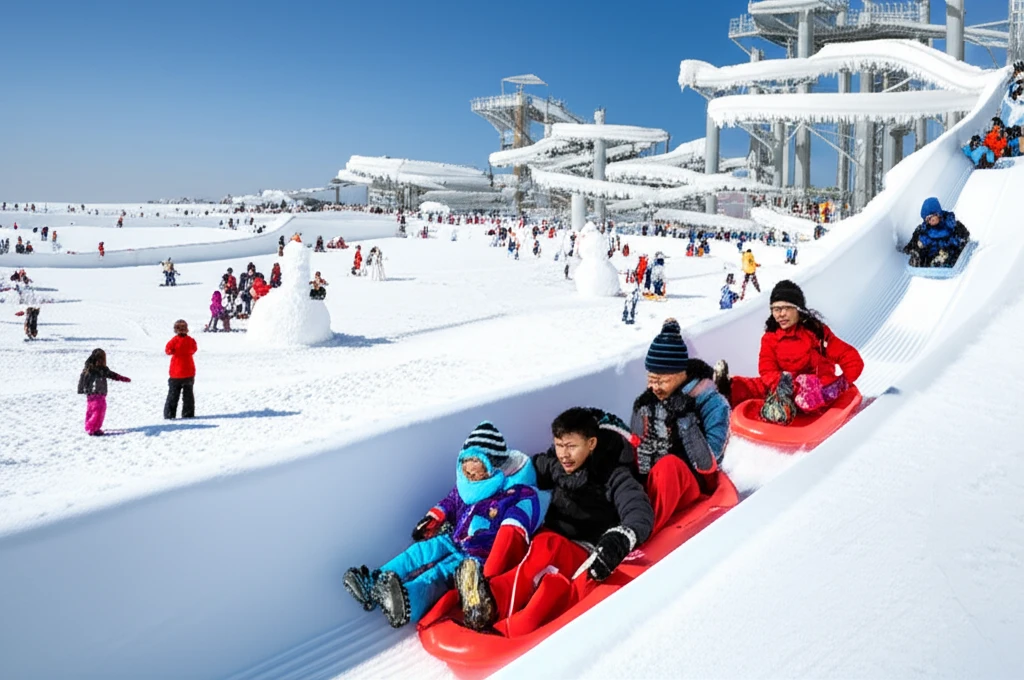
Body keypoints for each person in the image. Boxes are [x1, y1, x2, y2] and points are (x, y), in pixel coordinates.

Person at [462, 408, 654, 635]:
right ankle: (483, 587)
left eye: (572, 446)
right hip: (548, 536)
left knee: (546, 553)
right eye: (560, 445)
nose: (564, 454)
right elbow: (521, 472)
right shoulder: (553, 463)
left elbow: (638, 510)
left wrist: (620, 539)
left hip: (583, 547)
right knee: (528, 544)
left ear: (591, 443)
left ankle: (492, 602)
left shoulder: (611, 474)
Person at [343, 422, 544, 629]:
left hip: (479, 554)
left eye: (476, 463)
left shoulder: (515, 492)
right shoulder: (467, 484)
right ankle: (375, 581)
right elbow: (451, 501)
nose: (469, 472)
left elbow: (518, 523)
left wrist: (504, 547)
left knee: (440, 575)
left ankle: (405, 601)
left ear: (494, 466)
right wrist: (434, 518)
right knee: (419, 551)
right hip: (454, 537)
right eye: (465, 462)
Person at [716, 280, 864, 424]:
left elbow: (851, 359)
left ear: (798, 309)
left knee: (807, 392)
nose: (781, 314)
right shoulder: (770, 338)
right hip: (787, 388)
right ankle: (727, 388)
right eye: (776, 309)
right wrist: (784, 384)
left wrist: (838, 385)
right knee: (758, 386)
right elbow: (767, 370)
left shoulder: (816, 333)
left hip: (817, 391)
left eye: (786, 308)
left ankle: (782, 409)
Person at [631, 319, 728, 534]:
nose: (653, 386)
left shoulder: (713, 403)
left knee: (668, 466)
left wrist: (685, 419)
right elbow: (637, 452)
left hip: (694, 483)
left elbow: (709, 464)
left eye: (661, 380)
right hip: (655, 479)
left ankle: (639, 531)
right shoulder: (651, 400)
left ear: (680, 374)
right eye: (650, 379)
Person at [902, 197, 971, 268]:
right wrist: (915, 252)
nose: (929, 221)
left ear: (937, 214)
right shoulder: (922, 231)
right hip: (929, 266)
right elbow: (909, 248)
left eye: (930, 217)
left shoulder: (954, 226)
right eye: (927, 219)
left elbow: (966, 242)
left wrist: (961, 238)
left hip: (950, 264)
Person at [77, 348, 131, 436]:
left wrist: (81, 389)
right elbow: (112, 375)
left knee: (91, 410)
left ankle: (90, 426)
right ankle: (93, 428)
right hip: (98, 393)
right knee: (99, 411)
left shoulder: (88, 367)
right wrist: (122, 378)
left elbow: (82, 378)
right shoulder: (100, 369)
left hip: (91, 394)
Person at [164, 319, 197, 419]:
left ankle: (170, 415)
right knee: (188, 396)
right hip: (187, 372)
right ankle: (188, 414)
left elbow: (168, 350)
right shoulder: (190, 340)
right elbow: (193, 349)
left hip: (177, 373)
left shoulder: (174, 340)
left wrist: (173, 350)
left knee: (173, 396)